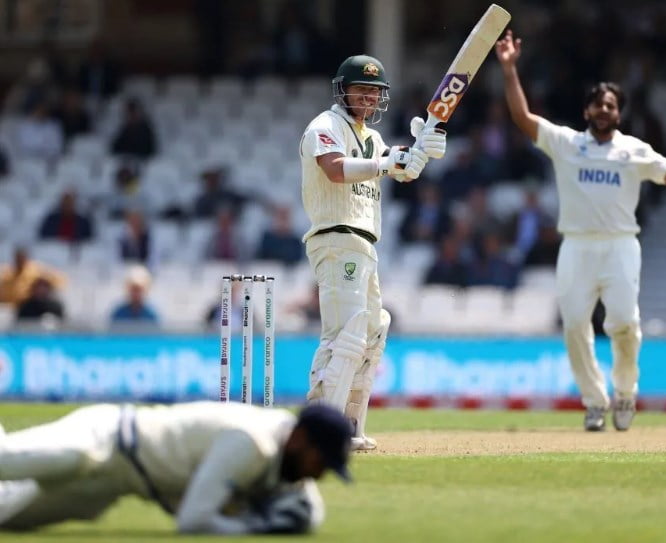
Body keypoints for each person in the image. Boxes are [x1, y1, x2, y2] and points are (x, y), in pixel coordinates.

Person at [495, 30, 666, 432]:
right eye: (598, 104)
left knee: (624, 324)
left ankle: (625, 392)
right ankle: (595, 402)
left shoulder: (633, 150)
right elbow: (522, 118)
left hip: (620, 246)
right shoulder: (566, 143)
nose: (603, 110)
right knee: (574, 326)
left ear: (619, 114)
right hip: (576, 246)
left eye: (610, 105)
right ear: (587, 110)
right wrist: (510, 69)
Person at [299, 54, 446, 450]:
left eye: (374, 92)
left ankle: (349, 429)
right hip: (335, 237)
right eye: (360, 90)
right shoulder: (325, 126)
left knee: (371, 333)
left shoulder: (373, 138)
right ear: (342, 91)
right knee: (344, 336)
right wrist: (387, 163)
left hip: (364, 244)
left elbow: (402, 169)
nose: (367, 98)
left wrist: (421, 151)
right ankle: (320, 432)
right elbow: (335, 169)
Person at [0, 403, 353, 534]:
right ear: (300, 439)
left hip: (110, 485)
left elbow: (307, 509)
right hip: (105, 437)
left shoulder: (286, 450)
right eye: (321, 461)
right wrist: (252, 527)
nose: (319, 474)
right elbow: (193, 520)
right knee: (68, 456)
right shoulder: (251, 442)